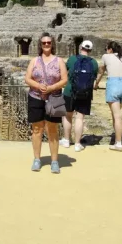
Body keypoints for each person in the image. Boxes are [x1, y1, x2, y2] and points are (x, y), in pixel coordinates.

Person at [24, 33, 68, 173]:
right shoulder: (35, 61)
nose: (47, 44)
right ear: (40, 45)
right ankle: (37, 159)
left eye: (49, 42)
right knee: (37, 129)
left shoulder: (59, 61)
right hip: (36, 97)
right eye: (44, 43)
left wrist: (51, 88)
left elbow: (64, 80)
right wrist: (38, 86)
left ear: (52, 44)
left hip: (54, 98)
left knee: (52, 129)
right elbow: (27, 78)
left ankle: (54, 161)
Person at [61, 40, 98, 152]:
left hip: (69, 91)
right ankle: (77, 144)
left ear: (80, 47)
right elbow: (94, 77)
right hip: (85, 93)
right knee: (80, 118)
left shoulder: (72, 59)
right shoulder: (94, 63)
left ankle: (66, 140)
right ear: (90, 50)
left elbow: (65, 71)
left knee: (67, 116)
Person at [94, 40, 122, 151]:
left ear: (110, 49)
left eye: (106, 49)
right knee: (116, 115)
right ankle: (117, 139)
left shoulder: (106, 56)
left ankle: (118, 143)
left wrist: (96, 83)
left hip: (113, 85)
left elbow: (101, 71)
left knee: (117, 116)